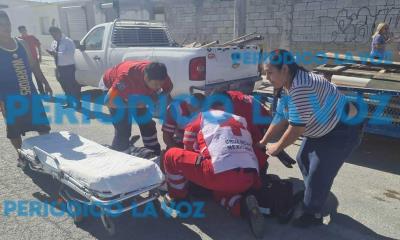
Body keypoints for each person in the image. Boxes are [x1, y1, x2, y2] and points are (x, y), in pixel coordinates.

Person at [259, 49, 364, 228]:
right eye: (265, 73)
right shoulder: (287, 83)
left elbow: (296, 128)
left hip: (343, 129)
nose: (267, 78)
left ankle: (313, 213)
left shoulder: (301, 87)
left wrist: (276, 147)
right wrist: (263, 142)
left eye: (270, 72)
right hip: (324, 127)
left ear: (284, 69)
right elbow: (280, 116)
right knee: (303, 158)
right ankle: (314, 195)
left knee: (318, 173)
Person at [163, 109, 265, 238]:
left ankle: (178, 199)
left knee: (171, 155)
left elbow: (187, 148)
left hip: (219, 174)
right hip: (248, 178)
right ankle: (242, 206)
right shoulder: (240, 118)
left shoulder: (199, 118)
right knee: (221, 191)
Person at [0, 11, 52, 158]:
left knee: (42, 126)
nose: (6, 27)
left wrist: (45, 83)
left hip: (30, 94)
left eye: (8, 23)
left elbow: (34, 66)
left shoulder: (21, 43)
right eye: (1, 24)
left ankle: (45, 154)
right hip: (9, 98)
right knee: (14, 130)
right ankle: (21, 156)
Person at [102, 60, 173, 155]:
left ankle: (154, 152)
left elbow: (168, 88)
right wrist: (135, 105)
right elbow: (108, 101)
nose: (158, 87)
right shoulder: (126, 78)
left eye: (161, 84)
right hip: (112, 91)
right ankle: (120, 152)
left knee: (147, 123)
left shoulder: (161, 76)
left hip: (136, 92)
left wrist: (157, 98)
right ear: (146, 77)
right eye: (156, 85)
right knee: (123, 127)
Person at [47, 26, 80, 109]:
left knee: (72, 86)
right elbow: (54, 52)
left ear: (59, 33)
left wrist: (57, 54)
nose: (53, 37)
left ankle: (78, 102)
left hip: (68, 67)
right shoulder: (54, 42)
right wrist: (51, 53)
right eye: (52, 36)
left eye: (54, 35)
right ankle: (69, 102)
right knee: (64, 86)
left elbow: (70, 55)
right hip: (59, 67)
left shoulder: (68, 41)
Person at [18, 25, 44, 94]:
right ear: (20, 31)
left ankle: (42, 91)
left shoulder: (32, 37)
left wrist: (40, 56)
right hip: (25, 62)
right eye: (22, 30)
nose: (24, 31)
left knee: (38, 76)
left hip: (34, 60)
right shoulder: (19, 40)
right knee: (27, 77)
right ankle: (30, 92)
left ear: (26, 30)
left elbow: (38, 46)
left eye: (24, 30)